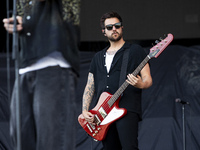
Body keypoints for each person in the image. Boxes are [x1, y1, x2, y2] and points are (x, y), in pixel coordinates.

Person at [3, 0, 80, 150]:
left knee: (52, 143)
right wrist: (19, 22)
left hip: (53, 64)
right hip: (25, 67)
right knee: (21, 142)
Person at [81, 11, 152, 150]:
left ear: (122, 27)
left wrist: (141, 84)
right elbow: (90, 86)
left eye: (117, 25)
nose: (114, 29)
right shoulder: (97, 57)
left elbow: (148, 79)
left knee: (129, 147)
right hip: (102, 112)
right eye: (109, 27)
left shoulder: (135, 51)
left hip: (126, 108)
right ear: (104, 31)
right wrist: (84, 110)